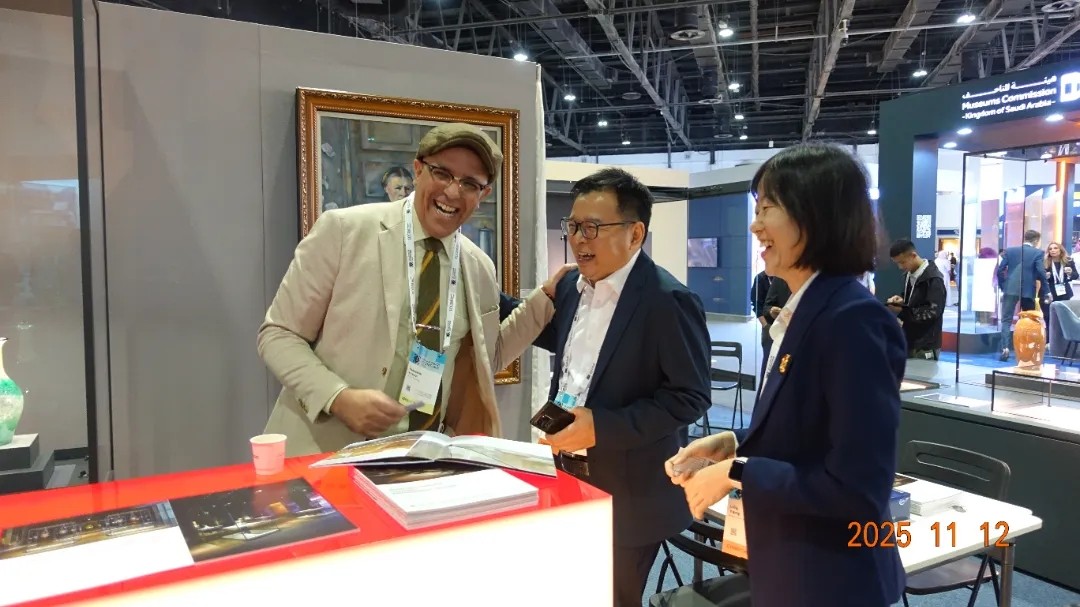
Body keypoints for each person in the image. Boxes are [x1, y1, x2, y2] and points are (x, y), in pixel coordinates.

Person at [665, 143, 906, 607]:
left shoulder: (852, 319)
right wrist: (733, 443)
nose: (755, 225)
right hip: (794, 567)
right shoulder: (806, 311)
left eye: (767, 209)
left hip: (834, 580)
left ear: (815, 215)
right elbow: (806, 435)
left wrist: (737, 471)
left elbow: (858, 487)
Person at [260, 122, 561, 456]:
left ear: (483, 194)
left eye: (470, 184)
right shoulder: (345, 231)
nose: (453, 192)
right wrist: (337, 397)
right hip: (328, 453)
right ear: (418, 170)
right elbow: (278, 334)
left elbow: (487, 358)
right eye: (442, 173)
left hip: (421, 458)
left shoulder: (478, 267)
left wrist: (544, 299)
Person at [533, 167, 711, 607]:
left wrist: (603, 427)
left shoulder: (668, 301)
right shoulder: (572, 288)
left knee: (613, 597)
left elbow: (689, 396)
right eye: (574, 226)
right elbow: (569, 349)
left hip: (630, 494)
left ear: (635, 234)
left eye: (593, 227)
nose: (579, 239)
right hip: (566, 473)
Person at [887, 239, 946, 360]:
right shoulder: (909, 275)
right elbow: (915, 300)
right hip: (910, 341)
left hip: (925, 345)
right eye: (897, 263)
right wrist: (902, 300)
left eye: (902, 262)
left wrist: (902, 311)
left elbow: (932, 313)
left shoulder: (934, 279)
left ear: (913, 255)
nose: (900, 267)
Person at [997, 229, 1043, 361]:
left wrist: (1003, 286)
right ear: (1036, 240)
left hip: (1010, 289)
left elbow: (1000, 270)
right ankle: (1027, 348)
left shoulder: (1010, 251)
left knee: (1006, 320)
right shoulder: (1037, 252)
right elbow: (1040, 272)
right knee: (1029, 320)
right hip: (1028, 290)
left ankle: (1005, 348)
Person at [1041, 241, 1077, 339]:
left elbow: (1075, 275)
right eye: (1050, 249)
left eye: (1055, 248)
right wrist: (1045, 277)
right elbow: (1038, 277)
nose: (1053, 250)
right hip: (1050, 293)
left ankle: (1063, 339)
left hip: (1064, 293)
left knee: (1063, 317)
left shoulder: (1068, 261)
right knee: (1048, 317)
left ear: (1060, 250)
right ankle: (1049, 340)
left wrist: (1070, 273)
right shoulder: (1045, 262)